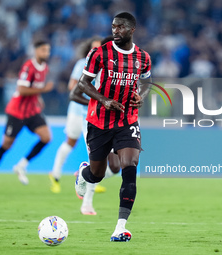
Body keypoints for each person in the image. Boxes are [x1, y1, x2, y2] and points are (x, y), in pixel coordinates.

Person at [74, 12, 152, 242]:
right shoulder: (100, 53)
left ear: (132, 29)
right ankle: (83, 173)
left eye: (120, 27)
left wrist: (142, 95)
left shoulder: (143, 57)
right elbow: (82, 83)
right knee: (96, 175)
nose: (115, 30)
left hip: (128, 120)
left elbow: (147, 82)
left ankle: (120, 227)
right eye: (113, 26)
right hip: (99, 121)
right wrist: (104, 100)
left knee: (129, 167)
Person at [51, 36, 121, 216]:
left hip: (113, 120)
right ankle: (86, 204)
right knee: (95, 159)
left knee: (115, 167)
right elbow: (74, 92)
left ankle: (84, 173)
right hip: (91, 120)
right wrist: (98, 102)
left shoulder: (117, 67)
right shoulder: (89, 64)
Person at [0, 40, 53, 192]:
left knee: (46, 137)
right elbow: (21, 89)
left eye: (48, 50)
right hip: (17, 112)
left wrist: (38, 99)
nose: (46, 53)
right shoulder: (28, 67)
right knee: (7, 144)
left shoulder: (45, 68)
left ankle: (21, 165)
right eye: (43, 50)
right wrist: (43, 91)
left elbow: (34, 88)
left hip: (32, 111)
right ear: (36, 51)